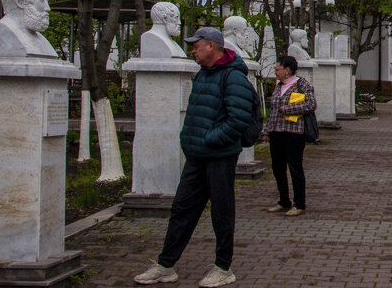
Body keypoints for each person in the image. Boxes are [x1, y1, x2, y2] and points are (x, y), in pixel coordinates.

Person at [134, 26, 251, 287]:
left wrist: (210, 139)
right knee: (182, 209)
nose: (192, 50)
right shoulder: (203, 74)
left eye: (196, 45)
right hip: (198, 156)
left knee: (221, 212)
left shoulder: (233, 77)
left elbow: (239, 119)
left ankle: (223, 268)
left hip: (219, 156)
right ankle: (165, 265)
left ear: (211, 46)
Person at [262, 55, 318, 216]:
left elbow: (311, 104)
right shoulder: (279, 86)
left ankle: (299, 204)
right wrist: (267, 131)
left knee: (295, 168)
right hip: (277, 133)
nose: (275, 72)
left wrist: (289, 109)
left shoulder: (302, 84)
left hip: (294, 133)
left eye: (277, 69)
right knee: (278, 168)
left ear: (287, 70)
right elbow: (273, 111)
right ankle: (283, 201)